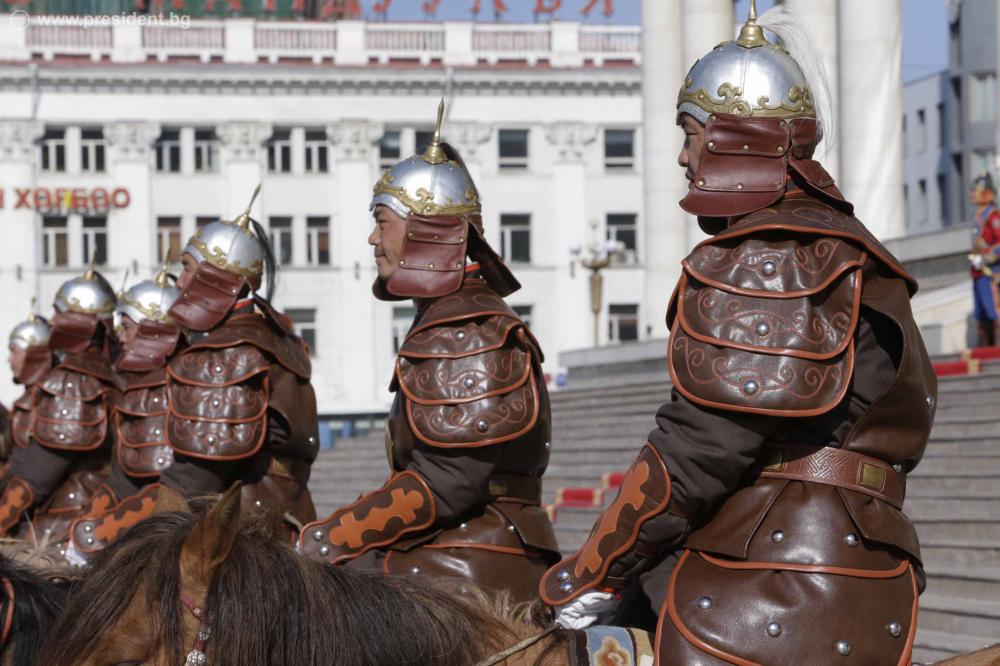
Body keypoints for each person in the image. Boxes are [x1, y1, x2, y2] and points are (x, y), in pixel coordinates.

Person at [539, 4, 937, 664]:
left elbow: (697, 450)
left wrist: (589, 573)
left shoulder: (771, 253)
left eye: (691, 132)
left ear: (737, 137)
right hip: (847, 565)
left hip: (774, 579)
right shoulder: (845, 242)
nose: (682, 155)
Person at [299, 101, 560, 602]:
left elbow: (446, 482)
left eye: (382, 222)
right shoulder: (451, 315)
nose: (372, 238)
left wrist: (325, 539)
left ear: (425, 230)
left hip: (471, 568)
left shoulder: (465, 328)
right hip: (452, 551)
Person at [156, 186, 318, 531]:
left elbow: (192, 481)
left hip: (245, 539)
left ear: (216, 275)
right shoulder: (275, 338)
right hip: (284, 526)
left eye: (187, 267)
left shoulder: (228, 351)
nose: (180, 282)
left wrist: (139, 545)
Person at [67, 264, 182, 558]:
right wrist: (86, 527)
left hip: (175, 533)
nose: (120, 337)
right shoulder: (143, 386)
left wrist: (96, 532)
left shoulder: (171, 388)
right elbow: (127, 475)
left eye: (127, 327)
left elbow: (175, 485)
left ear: (152, 329)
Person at [0, 265, 121, 542]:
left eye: (58, 312)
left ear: (79, 321)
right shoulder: (109, 370)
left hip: (65, 529)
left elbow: (35, 477)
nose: (52, 321)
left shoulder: (75, 381)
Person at [3, 308, 54, 487]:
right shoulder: (29, 397)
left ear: (33, 354)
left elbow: (27, 467)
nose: (9, 359)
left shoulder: (48, 400)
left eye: (14, 351)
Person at [968, 173, 1000, 347]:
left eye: (976, 190)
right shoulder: (977, 215)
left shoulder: (993, 215)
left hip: (991, 271)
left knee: (994, 310)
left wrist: (986, 258)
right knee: (981, 313)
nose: (972, 194)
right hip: (978, 271)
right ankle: (985, 347)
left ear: (987, 192)